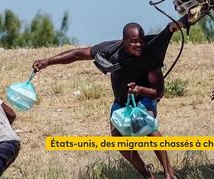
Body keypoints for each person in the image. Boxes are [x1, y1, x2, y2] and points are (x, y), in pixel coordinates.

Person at [32, 22, 179, 179]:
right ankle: (146, 174)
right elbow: (77, 54)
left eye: (141, 41)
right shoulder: (110, 50)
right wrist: (47, 61)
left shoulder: (149, 55)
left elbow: (159, 92)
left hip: (144, 98)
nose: (139, 45)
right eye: (134, 41)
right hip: (121, 102)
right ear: (124, 41)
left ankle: (169, 173)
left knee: (145, 125)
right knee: (117, 138)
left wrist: (140, 89)